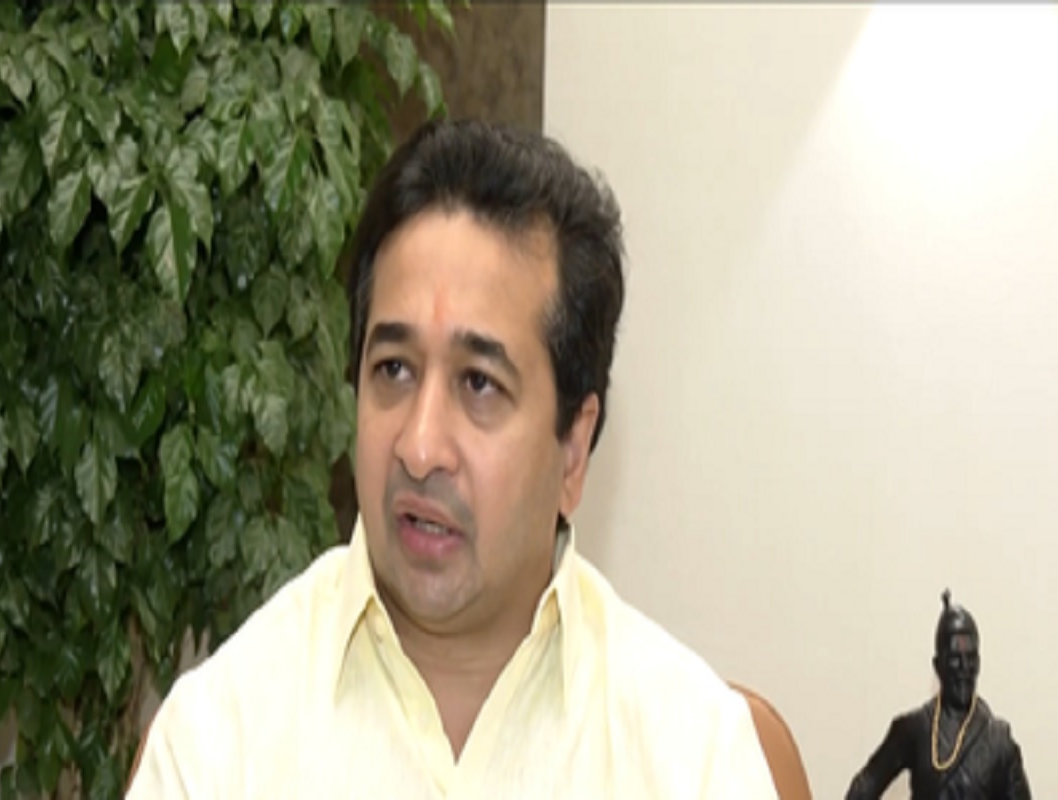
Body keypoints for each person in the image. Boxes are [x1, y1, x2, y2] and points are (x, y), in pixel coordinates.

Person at [127, 119, 776, 797]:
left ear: (573, 450)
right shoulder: (219, 740)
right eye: (394, 370)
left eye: (479, 384)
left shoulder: (692, 756)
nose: (419, 447)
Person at [845, 590, 1031, 800]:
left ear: (979, 663)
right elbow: (863, 788)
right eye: (955, 658)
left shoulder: (999, 741)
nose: (964, 667)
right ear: (937, 665)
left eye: (970, 658)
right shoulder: (914, 729)